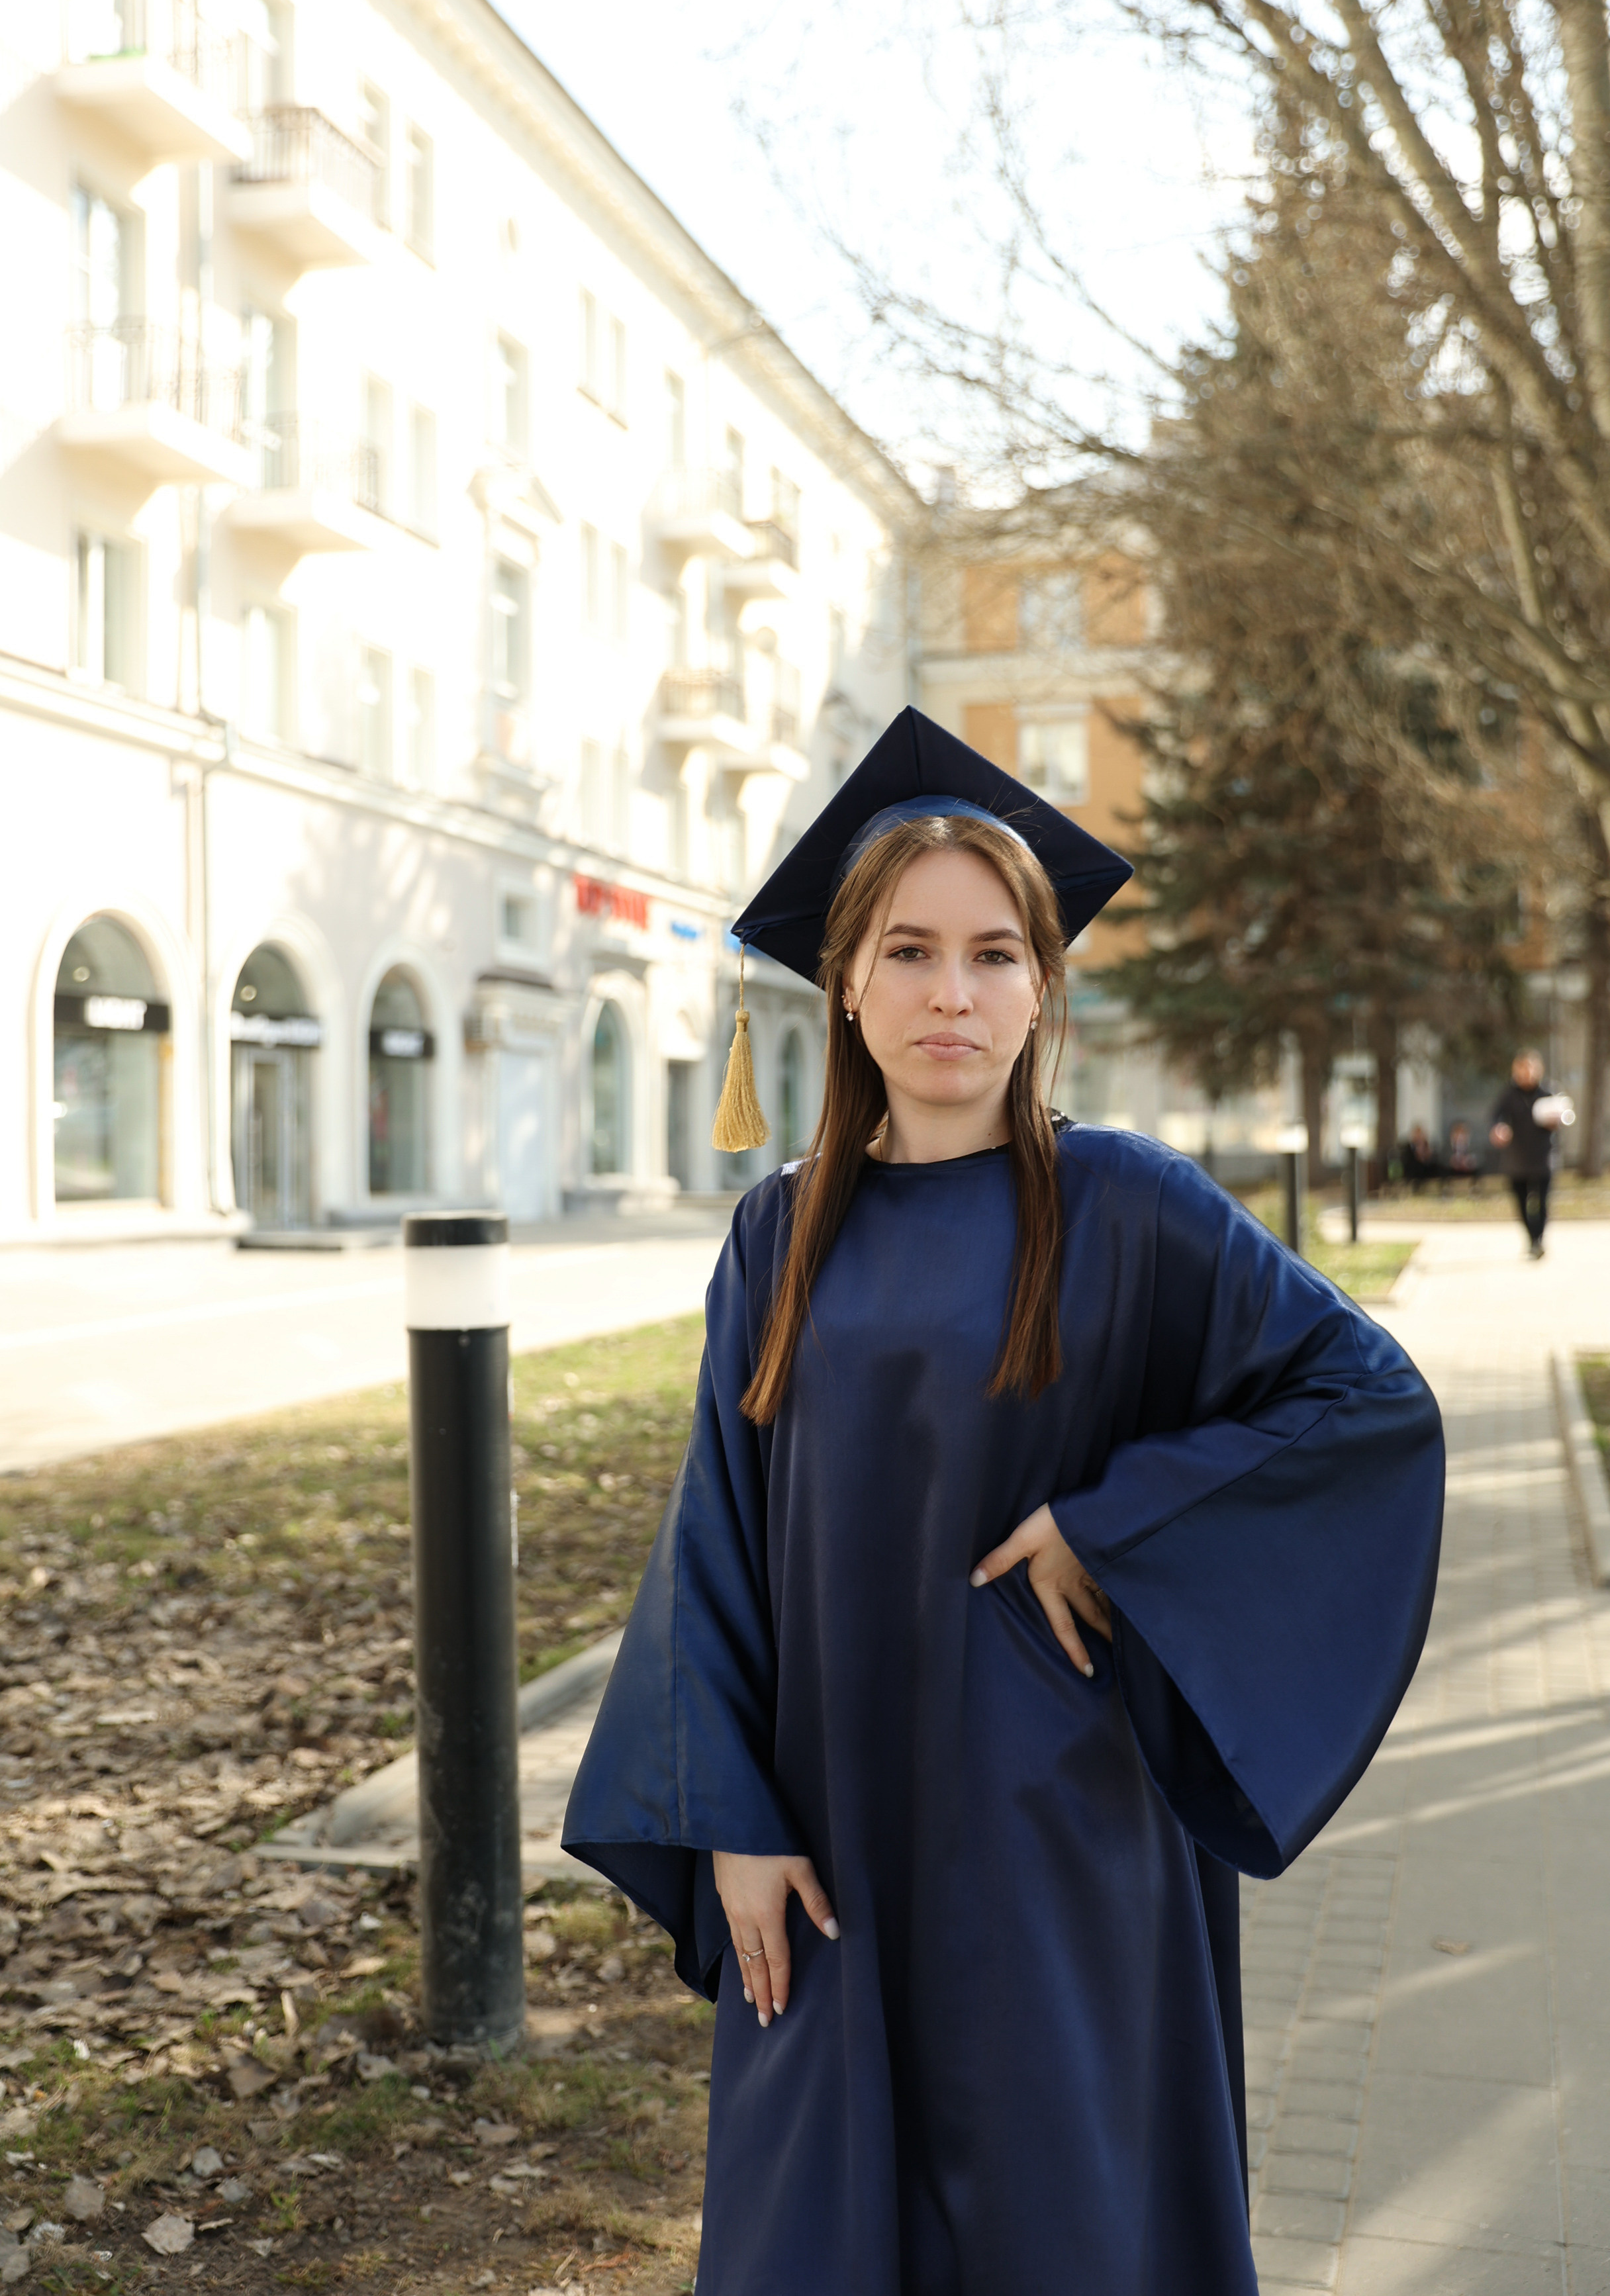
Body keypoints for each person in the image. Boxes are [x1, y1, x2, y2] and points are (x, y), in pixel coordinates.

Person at [563, 708, 1445, 2296]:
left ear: (1044, 982)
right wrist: (729, 1826)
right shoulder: (776, 1239)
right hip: (828, 1833)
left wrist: (1114, 1522)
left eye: (990, 954)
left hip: (1060, 1834)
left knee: (1068, 2224)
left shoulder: (1126, 1204)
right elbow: (713, 1534)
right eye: (907, 952)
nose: (949, 995)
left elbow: (1360, 1399)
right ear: (844, 980)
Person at [1488, 1049, 1571, 1258]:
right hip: (1517, 1159)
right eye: (1521, 1069)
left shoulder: (1548, 1092)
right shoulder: (1508, 1095)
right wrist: (1499, 1129)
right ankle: (1532, 1239)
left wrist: (1556, 1122)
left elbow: (1564, 1117)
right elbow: (1496, 1117)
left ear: (1537, 1070)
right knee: (1521, 1201)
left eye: (1530, 1068)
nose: (1526, 1073)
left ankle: (1539, 1239)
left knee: (1542, 1201)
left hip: (1543, 1157)